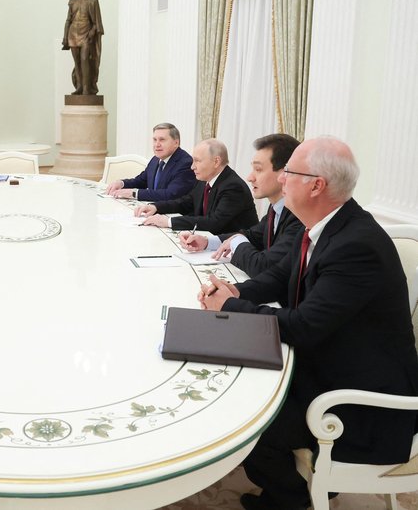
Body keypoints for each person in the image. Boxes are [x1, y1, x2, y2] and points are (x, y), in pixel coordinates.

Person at [198, 136, 418, 510]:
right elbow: (275, 278)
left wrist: (235, 309)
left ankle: (292, 500)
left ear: (317, 185)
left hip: (362, 399)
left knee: (248, 421)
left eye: (290, 173)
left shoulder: (356, 245)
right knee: (241, 381)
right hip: (331, 360)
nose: (282, 180)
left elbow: (303, 326)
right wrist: (233, 291)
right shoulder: (320, 224)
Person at [180, 133, 302, 279]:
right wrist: (207, 242)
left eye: (258, 169)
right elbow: (254, 235)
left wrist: (236, 241)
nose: (250, 177)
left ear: (285, 173)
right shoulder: (276, 208)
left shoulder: (299, 215)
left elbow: (263, 267)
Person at [134, 138, 257, 234]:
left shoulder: (233, 187)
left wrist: (168, 221)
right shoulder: (204, 178)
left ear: (216, 161)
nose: (192, 166)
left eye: (197, 161)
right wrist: (156, 207)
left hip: (233, 253)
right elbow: (187, 202)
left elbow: (214, 222)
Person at [105, 123, 196, 202]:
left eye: (162, 140)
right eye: (155, 140)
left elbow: (170, 194)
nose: (157, 144)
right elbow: (141, 181)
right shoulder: (155, 159)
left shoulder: (185, 163)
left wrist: (134, 193)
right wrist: (121, 183)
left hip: (174, 215)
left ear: (176, 143)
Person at [62, 0, 103, 95]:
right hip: (73, 34)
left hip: (86, 34)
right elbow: (68, 20)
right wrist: (65, 37)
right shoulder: (72, 2)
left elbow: (96, 22)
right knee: (77, 62)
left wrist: (92, 31)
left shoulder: (92, 1)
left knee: (85, 59)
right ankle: (79, 87)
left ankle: (86, 88)